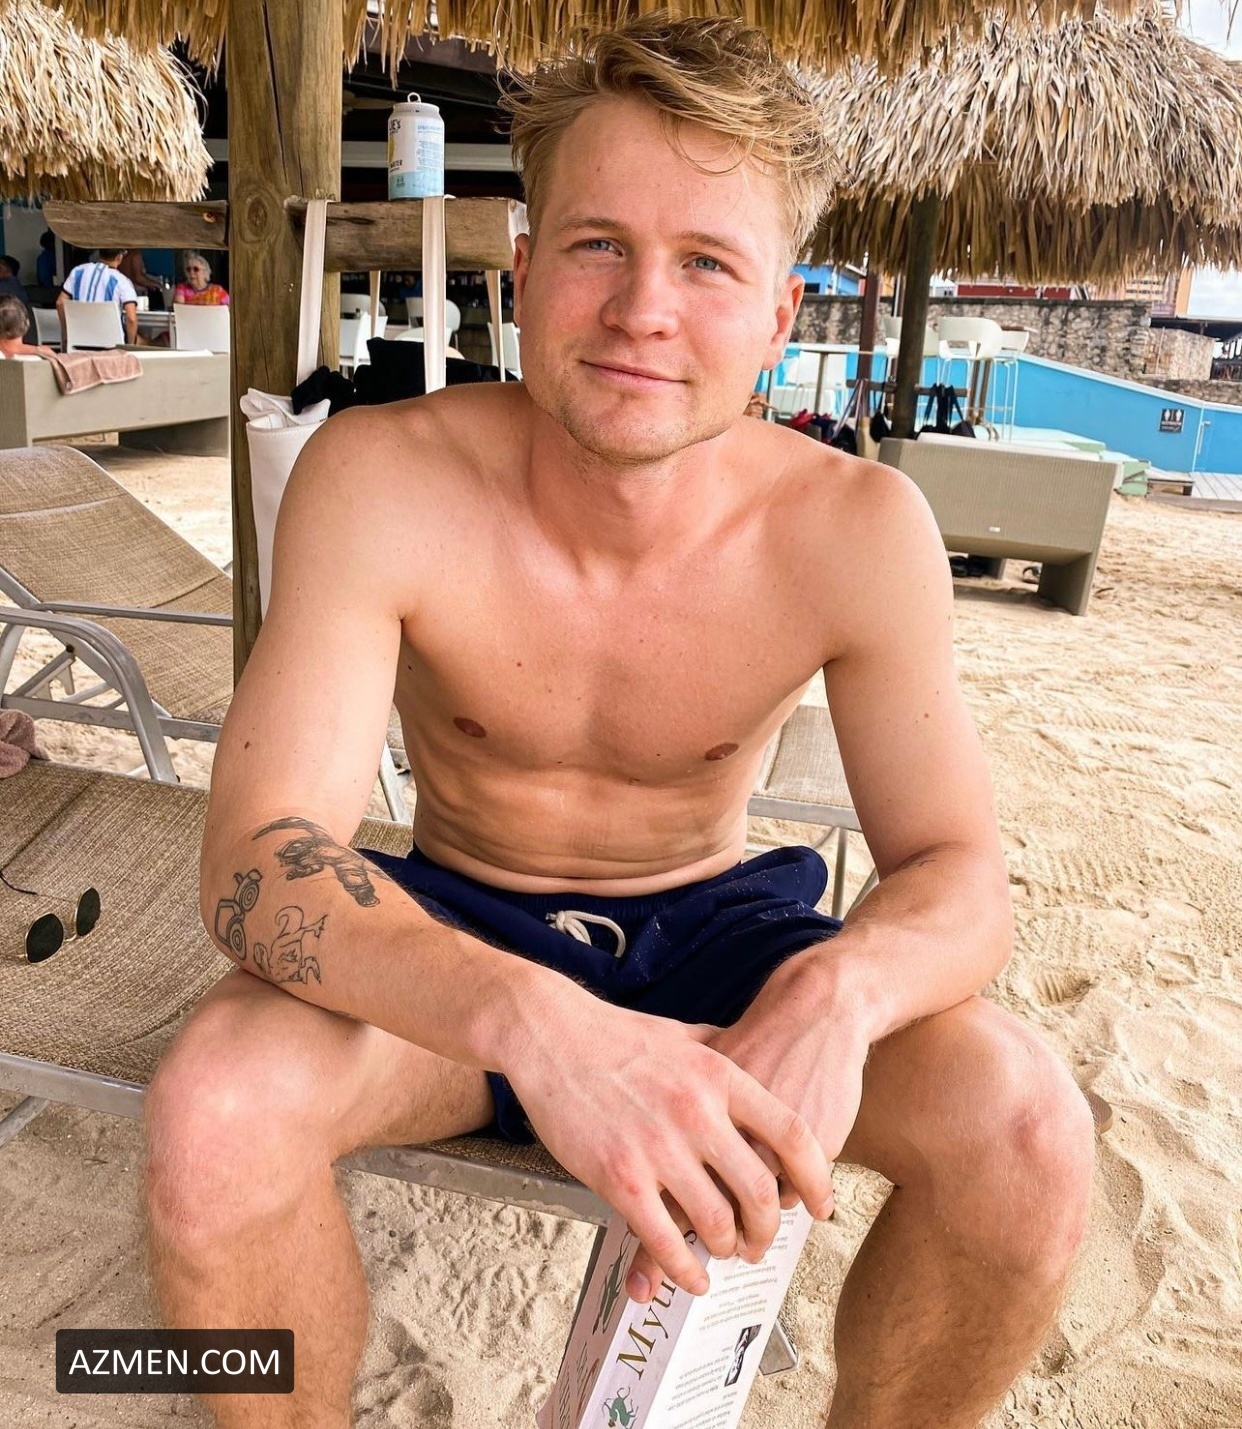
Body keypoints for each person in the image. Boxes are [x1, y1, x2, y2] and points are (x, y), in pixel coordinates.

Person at [148, 16, 1095, 1429]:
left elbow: (961, 873)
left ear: (778, 317)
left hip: (721, 941)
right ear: (526, 275)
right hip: (458, 935)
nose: (643, 310)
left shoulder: (855, 528)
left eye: (708, 262)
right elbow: (254, 858)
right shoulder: (379, 478)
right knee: (210, 1117)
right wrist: (540, 1025)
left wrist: (836, 998)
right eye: (598, 245)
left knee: (1027, 1131)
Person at [57, 249, 138, 345]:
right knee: (144, 341)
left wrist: (66, 334)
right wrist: (131, 346)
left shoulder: (77, 271)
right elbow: (131, 319)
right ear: (119, 257)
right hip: (111, 345)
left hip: (78, 343)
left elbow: (60, 303)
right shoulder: (122, 281)